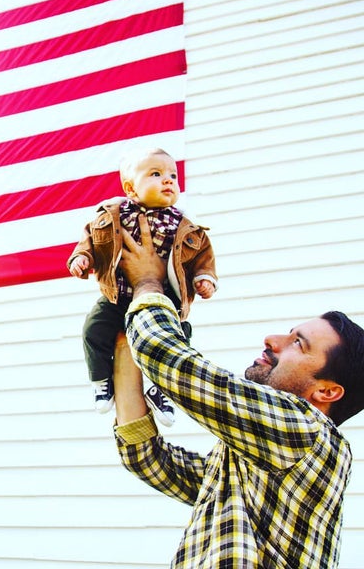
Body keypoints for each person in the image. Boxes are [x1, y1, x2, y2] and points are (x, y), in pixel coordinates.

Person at [113, 213, 364, 568]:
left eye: (298, 344)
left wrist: (149, 283)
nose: (272, 340)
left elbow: (164, 355)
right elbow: (151, 461)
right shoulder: (259, 456)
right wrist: (125, 346)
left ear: (327, 392)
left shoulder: (306, 433)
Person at [67, 147, 218, 424]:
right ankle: (101, 379)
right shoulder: (114, 214)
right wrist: (82, 257)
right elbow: (91, 236)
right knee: (94, 329)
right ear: (131, 189)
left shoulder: (184, 225)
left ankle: (160, 388)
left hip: (164, 301)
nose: (168, 180)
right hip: (118, 295)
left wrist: (204, 278)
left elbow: (202, 255)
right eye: (156, 174)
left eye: (173, 175)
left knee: (176, 340)